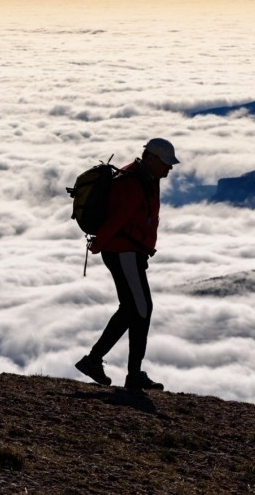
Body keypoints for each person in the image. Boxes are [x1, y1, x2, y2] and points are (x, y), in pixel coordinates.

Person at [75, 138, 179, 391]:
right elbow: (118, 219)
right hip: (125, 252)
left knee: (132, 308)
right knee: (141, 308)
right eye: (166, 163)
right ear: (152, 158)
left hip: (127, 252)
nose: (170, 169)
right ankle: (130, 374)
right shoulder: (134, 182)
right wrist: (99, 244)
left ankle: (96, 361)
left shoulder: (143, 177)